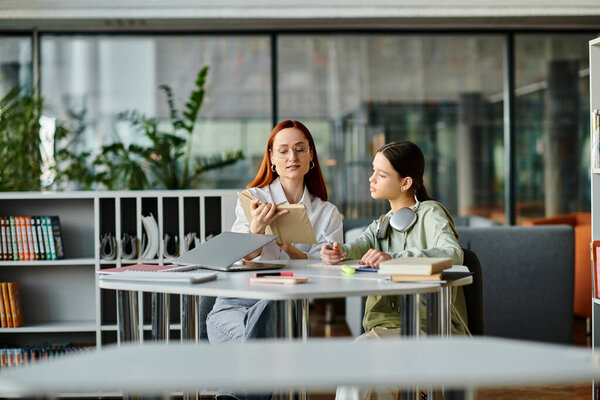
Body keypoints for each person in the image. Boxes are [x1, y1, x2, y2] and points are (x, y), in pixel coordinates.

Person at [320, 141, 469, 400]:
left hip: (428, 330)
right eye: (373, 170)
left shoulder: (430, 213)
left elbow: (453, 253)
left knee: (358, 363)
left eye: (381, 174)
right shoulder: (381, 225)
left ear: (406, 183)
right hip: (386, 330)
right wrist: (337, 251)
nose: (371, 178)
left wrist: (393, 257)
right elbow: (355, 247)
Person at [206, 120, 343, 344]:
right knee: (267, 342)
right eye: (283, 151)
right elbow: (240, 259)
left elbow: (325, 274)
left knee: (271, 322)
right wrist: (257, 230)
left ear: (311, 156)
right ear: (271, 158)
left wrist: (290, 249)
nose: (292, 157)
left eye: (300, 149)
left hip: (285, 305)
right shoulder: (253, 199)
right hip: (238, 302)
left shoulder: (327, 213)